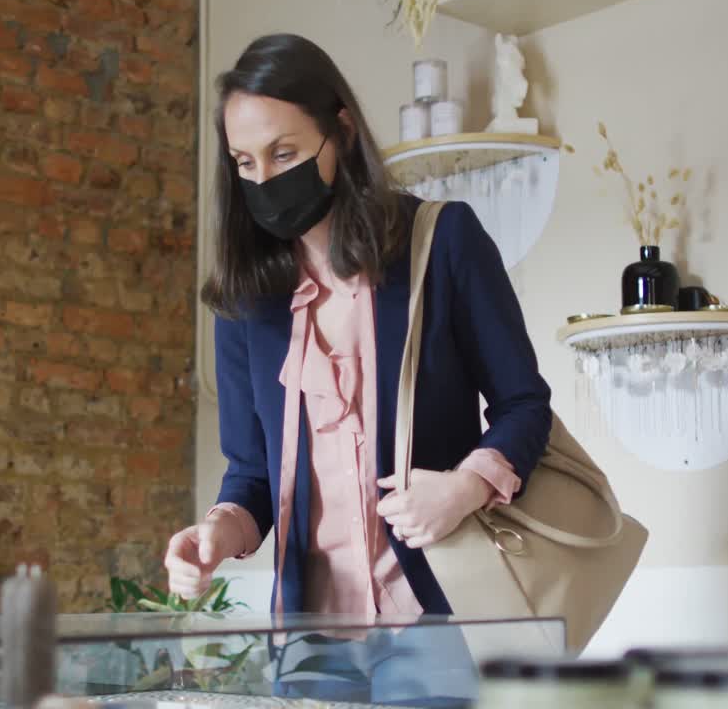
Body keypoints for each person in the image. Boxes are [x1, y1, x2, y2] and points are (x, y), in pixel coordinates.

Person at [164, 32, 552, 623]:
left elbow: (524, 404)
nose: (264, 179)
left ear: (341, 133)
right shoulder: (248, 301)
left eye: (284, 154)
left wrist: (463, 488)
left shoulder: (442, 242)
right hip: (307, 638)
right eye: (245, 162)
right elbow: (252, 475)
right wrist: (216, 532)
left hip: (438, 617)